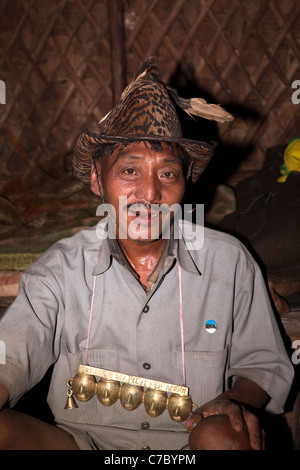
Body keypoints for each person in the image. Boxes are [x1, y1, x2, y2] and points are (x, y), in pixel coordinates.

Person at [0, 58, 294, 450]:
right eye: (129, 171)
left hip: (186, 450)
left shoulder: (228, 262)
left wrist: (233, 401)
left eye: (168, 174)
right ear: (96, 180)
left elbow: (264, 362)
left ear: (184, 184)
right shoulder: (62, 268)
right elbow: (13, 350)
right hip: (78, 443)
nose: (151, 193)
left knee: (221, 436)